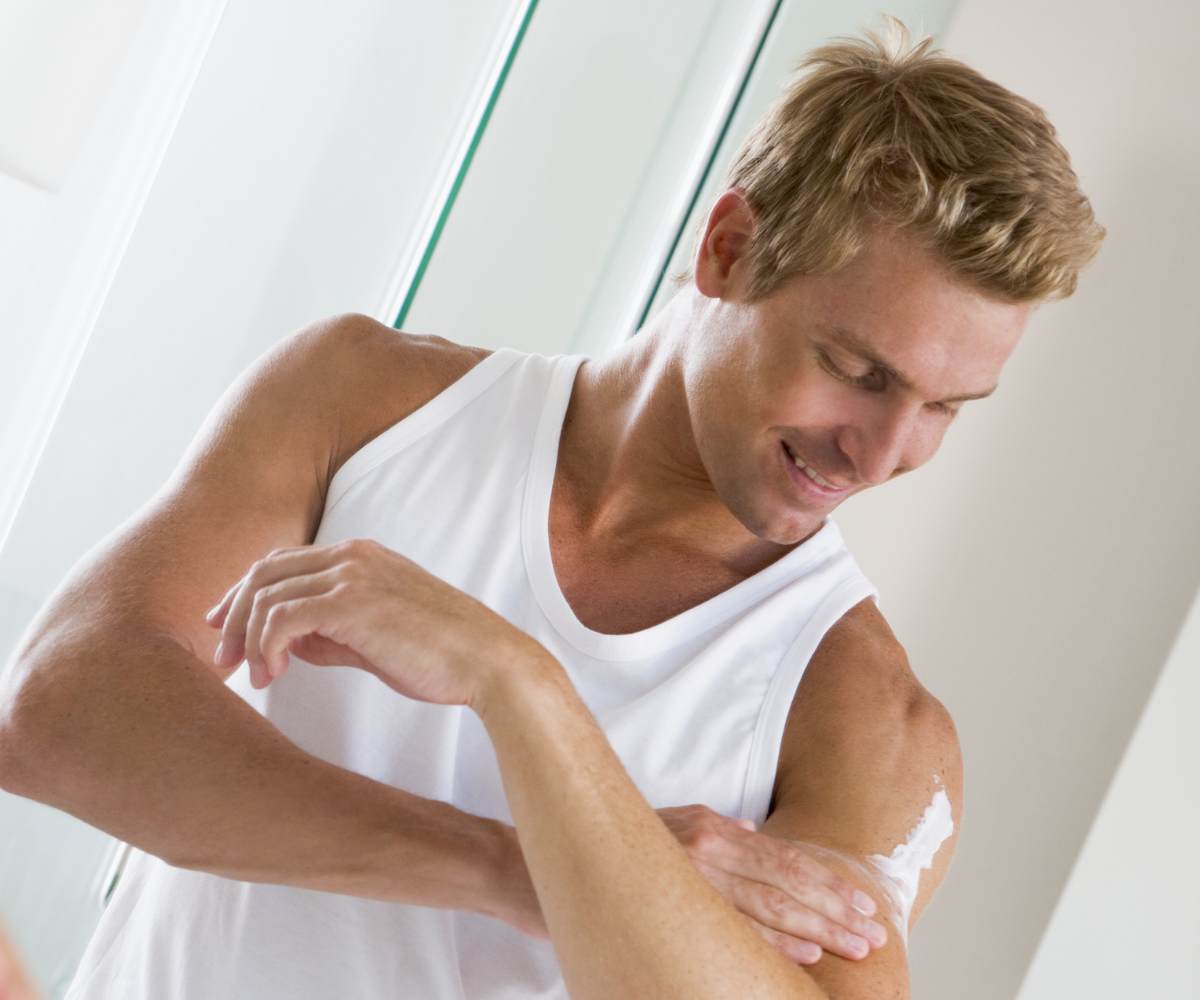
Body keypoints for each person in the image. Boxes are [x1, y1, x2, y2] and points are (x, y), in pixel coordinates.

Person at [0, 23, 1101, 1000]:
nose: (885, 451)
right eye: (855, 368)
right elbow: (55, 715)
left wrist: (520, 688)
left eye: (946, 408)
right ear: (728, 250)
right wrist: (519, 864)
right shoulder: (364, 401)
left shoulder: (866, 718)